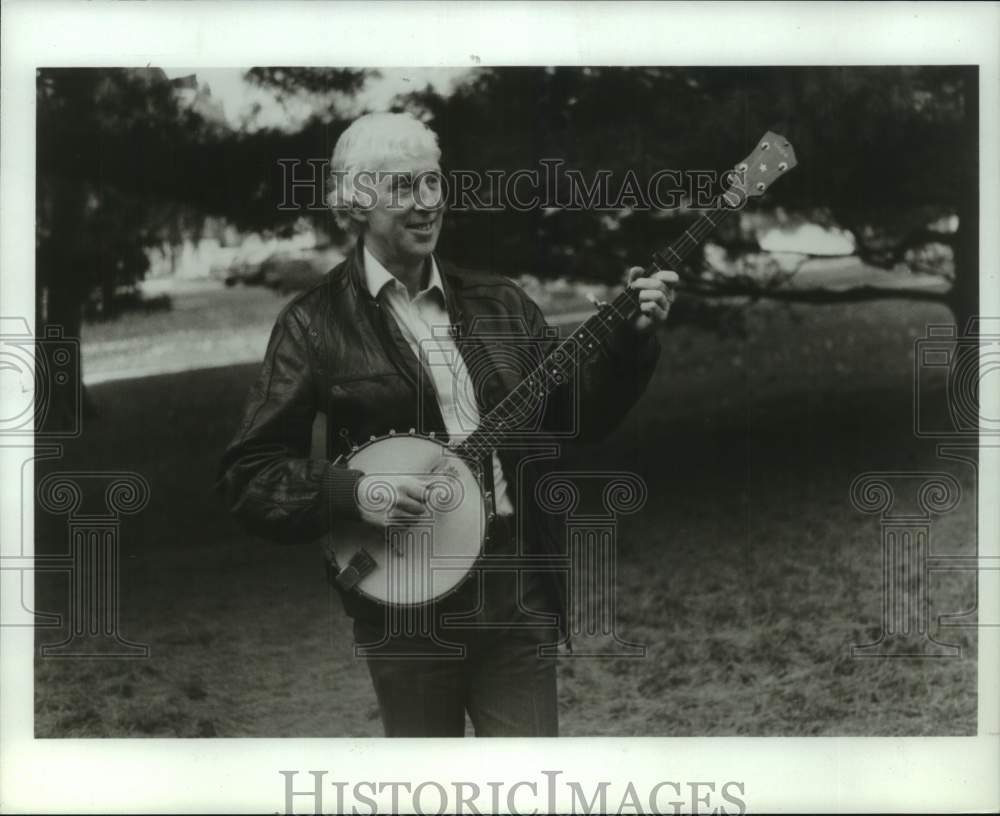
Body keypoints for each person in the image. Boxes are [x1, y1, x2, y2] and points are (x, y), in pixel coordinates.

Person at [217, 112, 678, 737]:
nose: (425, 203)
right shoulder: (314, 323)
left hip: (515, 590)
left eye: (432, 183)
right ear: (355, 204)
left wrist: (629, 344)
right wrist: (359, 491)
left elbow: (577, 417)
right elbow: (252, 475)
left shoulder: (500, 302)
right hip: (405, 603)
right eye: (402, 188)